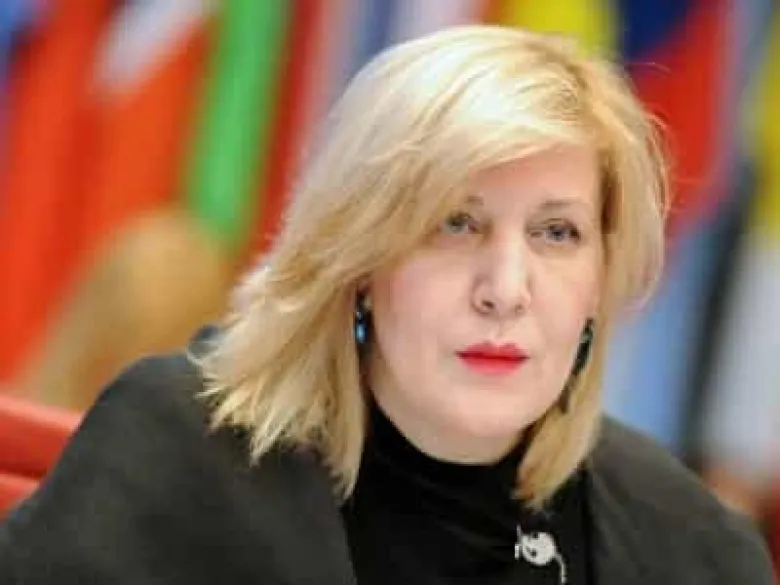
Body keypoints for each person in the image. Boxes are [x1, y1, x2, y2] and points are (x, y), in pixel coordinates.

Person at [0, 25, 774, 585]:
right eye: (455, 223)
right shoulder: (173, 449)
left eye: (556, 232)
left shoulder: (692, 546)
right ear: (360, 257)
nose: (506, 287)